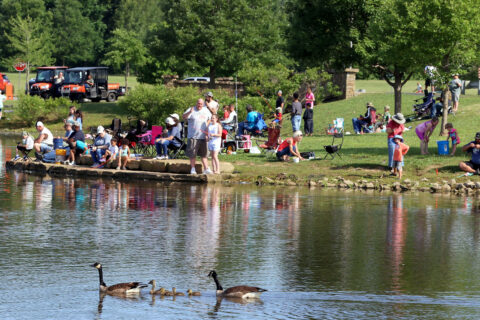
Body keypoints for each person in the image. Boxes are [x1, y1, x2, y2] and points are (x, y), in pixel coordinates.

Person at [183, 98, 212, 174]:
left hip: (203, 135)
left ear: (203, 104)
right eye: (198, 103)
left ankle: (206, 168)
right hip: (193, 136)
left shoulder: (206, 110)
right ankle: (192, 169)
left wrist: (206, 127)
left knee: (204, 154)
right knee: (193, 154)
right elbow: (184, 117)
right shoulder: (191, 109)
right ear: (196, 103)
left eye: (201, 104)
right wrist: (190, 112)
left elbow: (210, 118)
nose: (199, 105)